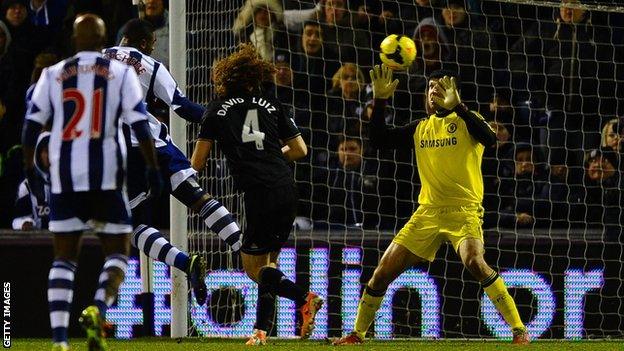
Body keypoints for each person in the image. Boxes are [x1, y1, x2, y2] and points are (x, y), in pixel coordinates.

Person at [331, 65, 530, 345]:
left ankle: (519, 330)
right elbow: (378, 139)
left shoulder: (468, 121)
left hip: (463, 211)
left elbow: (490, 138)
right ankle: (357, 333)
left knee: (474, 261)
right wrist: (380, 100)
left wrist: (459, 107)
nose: (433, 91)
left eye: (440, 86)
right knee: (381, 272)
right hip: (427, 213)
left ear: (454, 93)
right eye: (430, 87)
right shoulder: (421, 128)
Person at [21, 14, 163, 351]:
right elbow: (141, 126)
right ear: (103, 42)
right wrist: (153, 168)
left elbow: (30, 127)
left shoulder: (53, 74)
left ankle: (59, 341)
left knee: (64, 257)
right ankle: (97, 307)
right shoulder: (121, 73)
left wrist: (29, 168)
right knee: (118, 252)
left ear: (73, 39)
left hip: (65, 176)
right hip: (106, 176)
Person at [104, 18, 244, 306]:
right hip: (156, 144)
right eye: (152, 45)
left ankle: (184, 262)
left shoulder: (95, 60)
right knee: (197, 198)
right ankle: (243, 248)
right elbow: (182, 106)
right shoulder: (150, 66)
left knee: (136, 227)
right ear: (144, 43)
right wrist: (222, 119)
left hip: (121, 153)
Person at [190, 43, 322, 345]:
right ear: (255, 77)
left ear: (227, 77)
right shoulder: (272, 103)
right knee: (269, 264)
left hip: (259, 193)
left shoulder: (216, 109)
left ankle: (305, 297)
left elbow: (197, 163)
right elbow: (301, 149)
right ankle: (261, 332)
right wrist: (272, 157)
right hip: (286, 187)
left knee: (254, 269)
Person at [12, 132, 50, 230]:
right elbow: (17, 220)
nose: (49, 156)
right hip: (37, 242)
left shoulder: (68, 183)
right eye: (46, 151)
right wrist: (24, 223)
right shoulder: (27, 186)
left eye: (53, 151)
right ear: (38, 154)